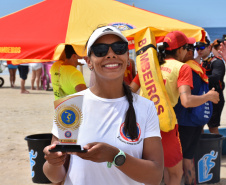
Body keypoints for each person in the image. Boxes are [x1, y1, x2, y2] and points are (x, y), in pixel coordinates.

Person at [43, 26, 164, 185]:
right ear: (89, 62)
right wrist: (53, 161)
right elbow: (56, 177)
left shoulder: (145, 107)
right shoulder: (70, 105)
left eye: (119, 49)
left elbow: (155, 176)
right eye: (100, 50)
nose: (111, 54)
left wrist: (115, 156)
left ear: (127, 58)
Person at [130, 31, 219, 185]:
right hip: (165, 126)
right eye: (186, 48)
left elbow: (129, 92)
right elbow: (186, 101)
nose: (188, 51)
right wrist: (209, 96)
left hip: (141, 125)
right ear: (179, 50)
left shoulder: (150, 65)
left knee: (151, 171)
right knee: (175, 173)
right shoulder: (182, 68)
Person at [174, 38, 219, 185]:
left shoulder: (186, 69)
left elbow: (185, 98)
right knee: (189, 157)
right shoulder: (199, 69)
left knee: (178, 160)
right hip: (197, 119)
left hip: (184, 119)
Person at [196, 37, 225, 134]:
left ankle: (216, 148)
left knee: (213, 127)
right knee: (199, 126)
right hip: (204, 97)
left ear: (209, 47)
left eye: (202, 47)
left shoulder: (217, 62)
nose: (199, 50)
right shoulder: (200, 62)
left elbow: (216, 77)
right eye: (197, 48)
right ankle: (201, 147)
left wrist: (198, 77)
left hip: (215, 99)